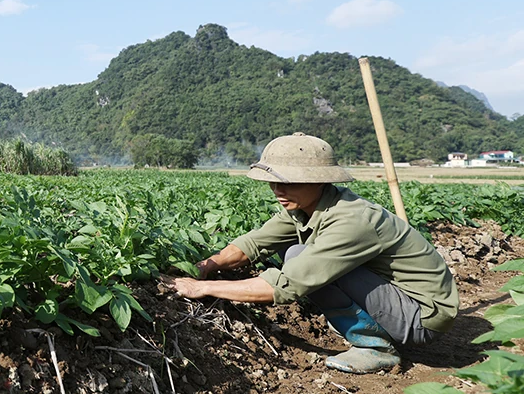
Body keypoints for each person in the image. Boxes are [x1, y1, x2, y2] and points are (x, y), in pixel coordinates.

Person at [170, 132, 458, 374]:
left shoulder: (351, 220)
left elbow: (288, 284)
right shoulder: (305, 206)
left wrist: (204, 287)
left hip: (422, 317)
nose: (277, 190)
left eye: (290, 182)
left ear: (320, 180)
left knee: (298, 257)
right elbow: (253, 243)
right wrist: (208, 265)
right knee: (294, 250)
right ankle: (363, 322)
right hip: (399, 298)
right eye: (274, 181)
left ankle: (376, 346)